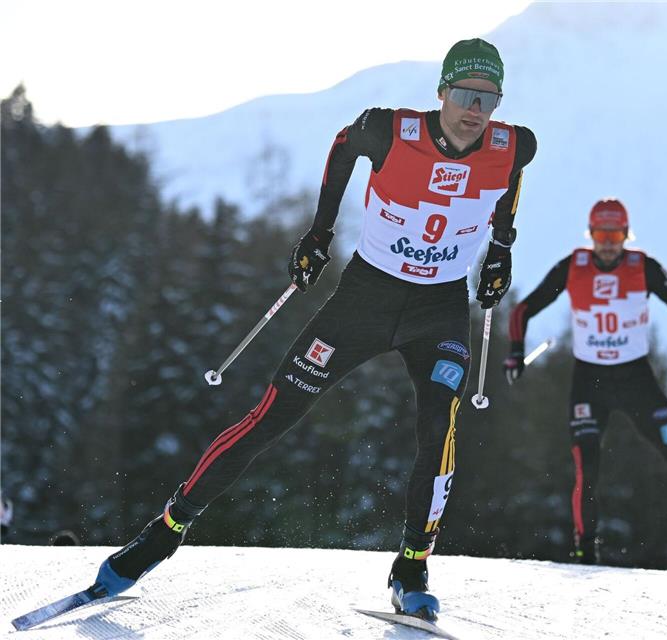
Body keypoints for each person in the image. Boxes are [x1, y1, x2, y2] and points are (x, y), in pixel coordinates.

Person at [94, 38, 536, 621]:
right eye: (463, 94)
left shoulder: (513, 146)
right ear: (442, 93)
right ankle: (165, 530)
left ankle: (412, 566)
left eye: (486, 97)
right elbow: (341, 147)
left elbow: (510, 184)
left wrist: (500, 249)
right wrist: (319, 233)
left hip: (439, 310)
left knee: (440, 428)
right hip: (365, 298)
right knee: (272, 415)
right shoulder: (389, 130)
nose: (473, 109)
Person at [503, 198, 667, 575]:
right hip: (589, 383)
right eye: (601, 234)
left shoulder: (643, 267)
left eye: (615, 235)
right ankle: (585, 556)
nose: (608, 243)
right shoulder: (573, 267)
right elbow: (521, 310)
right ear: (590, 235)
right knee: (587, 469)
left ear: (627, 236)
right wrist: (515, 351)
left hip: (636, 381)